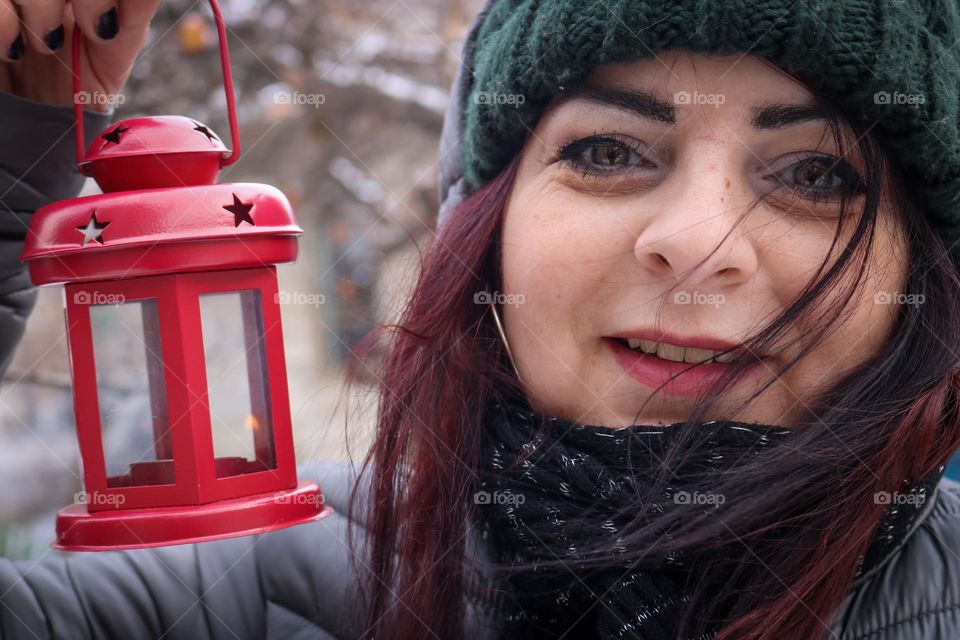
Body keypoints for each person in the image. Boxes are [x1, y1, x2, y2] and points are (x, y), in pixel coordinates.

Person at [3, 1, 960, 638]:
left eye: (817, 174)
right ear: (486, 231)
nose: (699, 244)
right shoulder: (239, 589)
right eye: (611, 151)